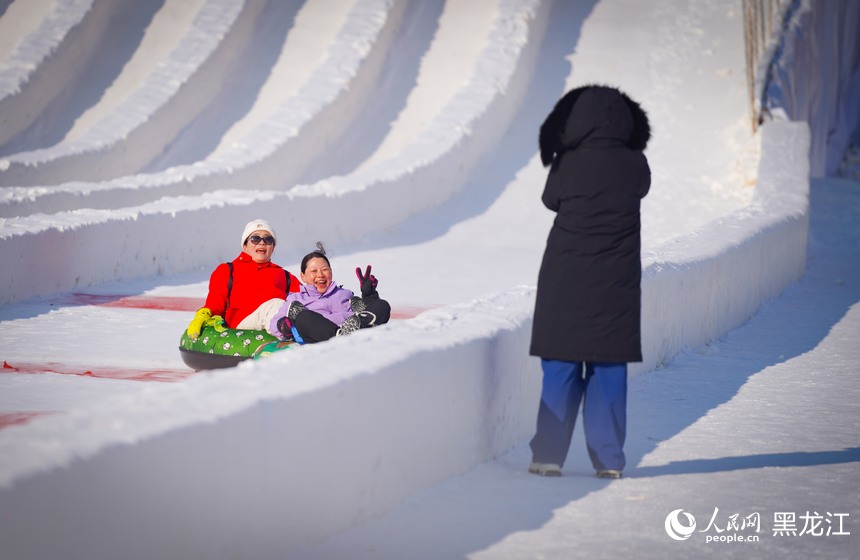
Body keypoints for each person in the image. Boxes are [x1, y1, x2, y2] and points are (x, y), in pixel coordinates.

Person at [528, 85, 651, 479]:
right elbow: (641, 190)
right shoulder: (636, 164)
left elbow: (550, 200)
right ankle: (609, 459)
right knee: (609, 370)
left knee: (561, 367)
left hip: (565, 279)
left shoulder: (567, 162)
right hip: (616, 284)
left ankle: (548, 456)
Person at [186, 219, 300, 340]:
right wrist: (203, 315)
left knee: (294, 306)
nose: (262, 243)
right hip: (241, 328)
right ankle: (291, 335)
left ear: (273, 247)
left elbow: (304, 298)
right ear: (245, 245)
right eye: (255, 239)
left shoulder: (285, 275)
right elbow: (216, 302)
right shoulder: (228, 270)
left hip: (274, 321)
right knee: (276, 305)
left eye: (268, 240)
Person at [267, 242, 391, 343]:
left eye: (325, 270)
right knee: (303, 316)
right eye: (314, 271)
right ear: (303, 276)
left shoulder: (344, 294)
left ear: (331, 272)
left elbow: (366, 310)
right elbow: (273, 325)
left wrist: (369, 295)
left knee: (383, 305)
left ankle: (355, 331)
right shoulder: (296, 300)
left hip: (351, 328)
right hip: (318, 336)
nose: (320, 275)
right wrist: (286, 324)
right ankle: (339, 337)